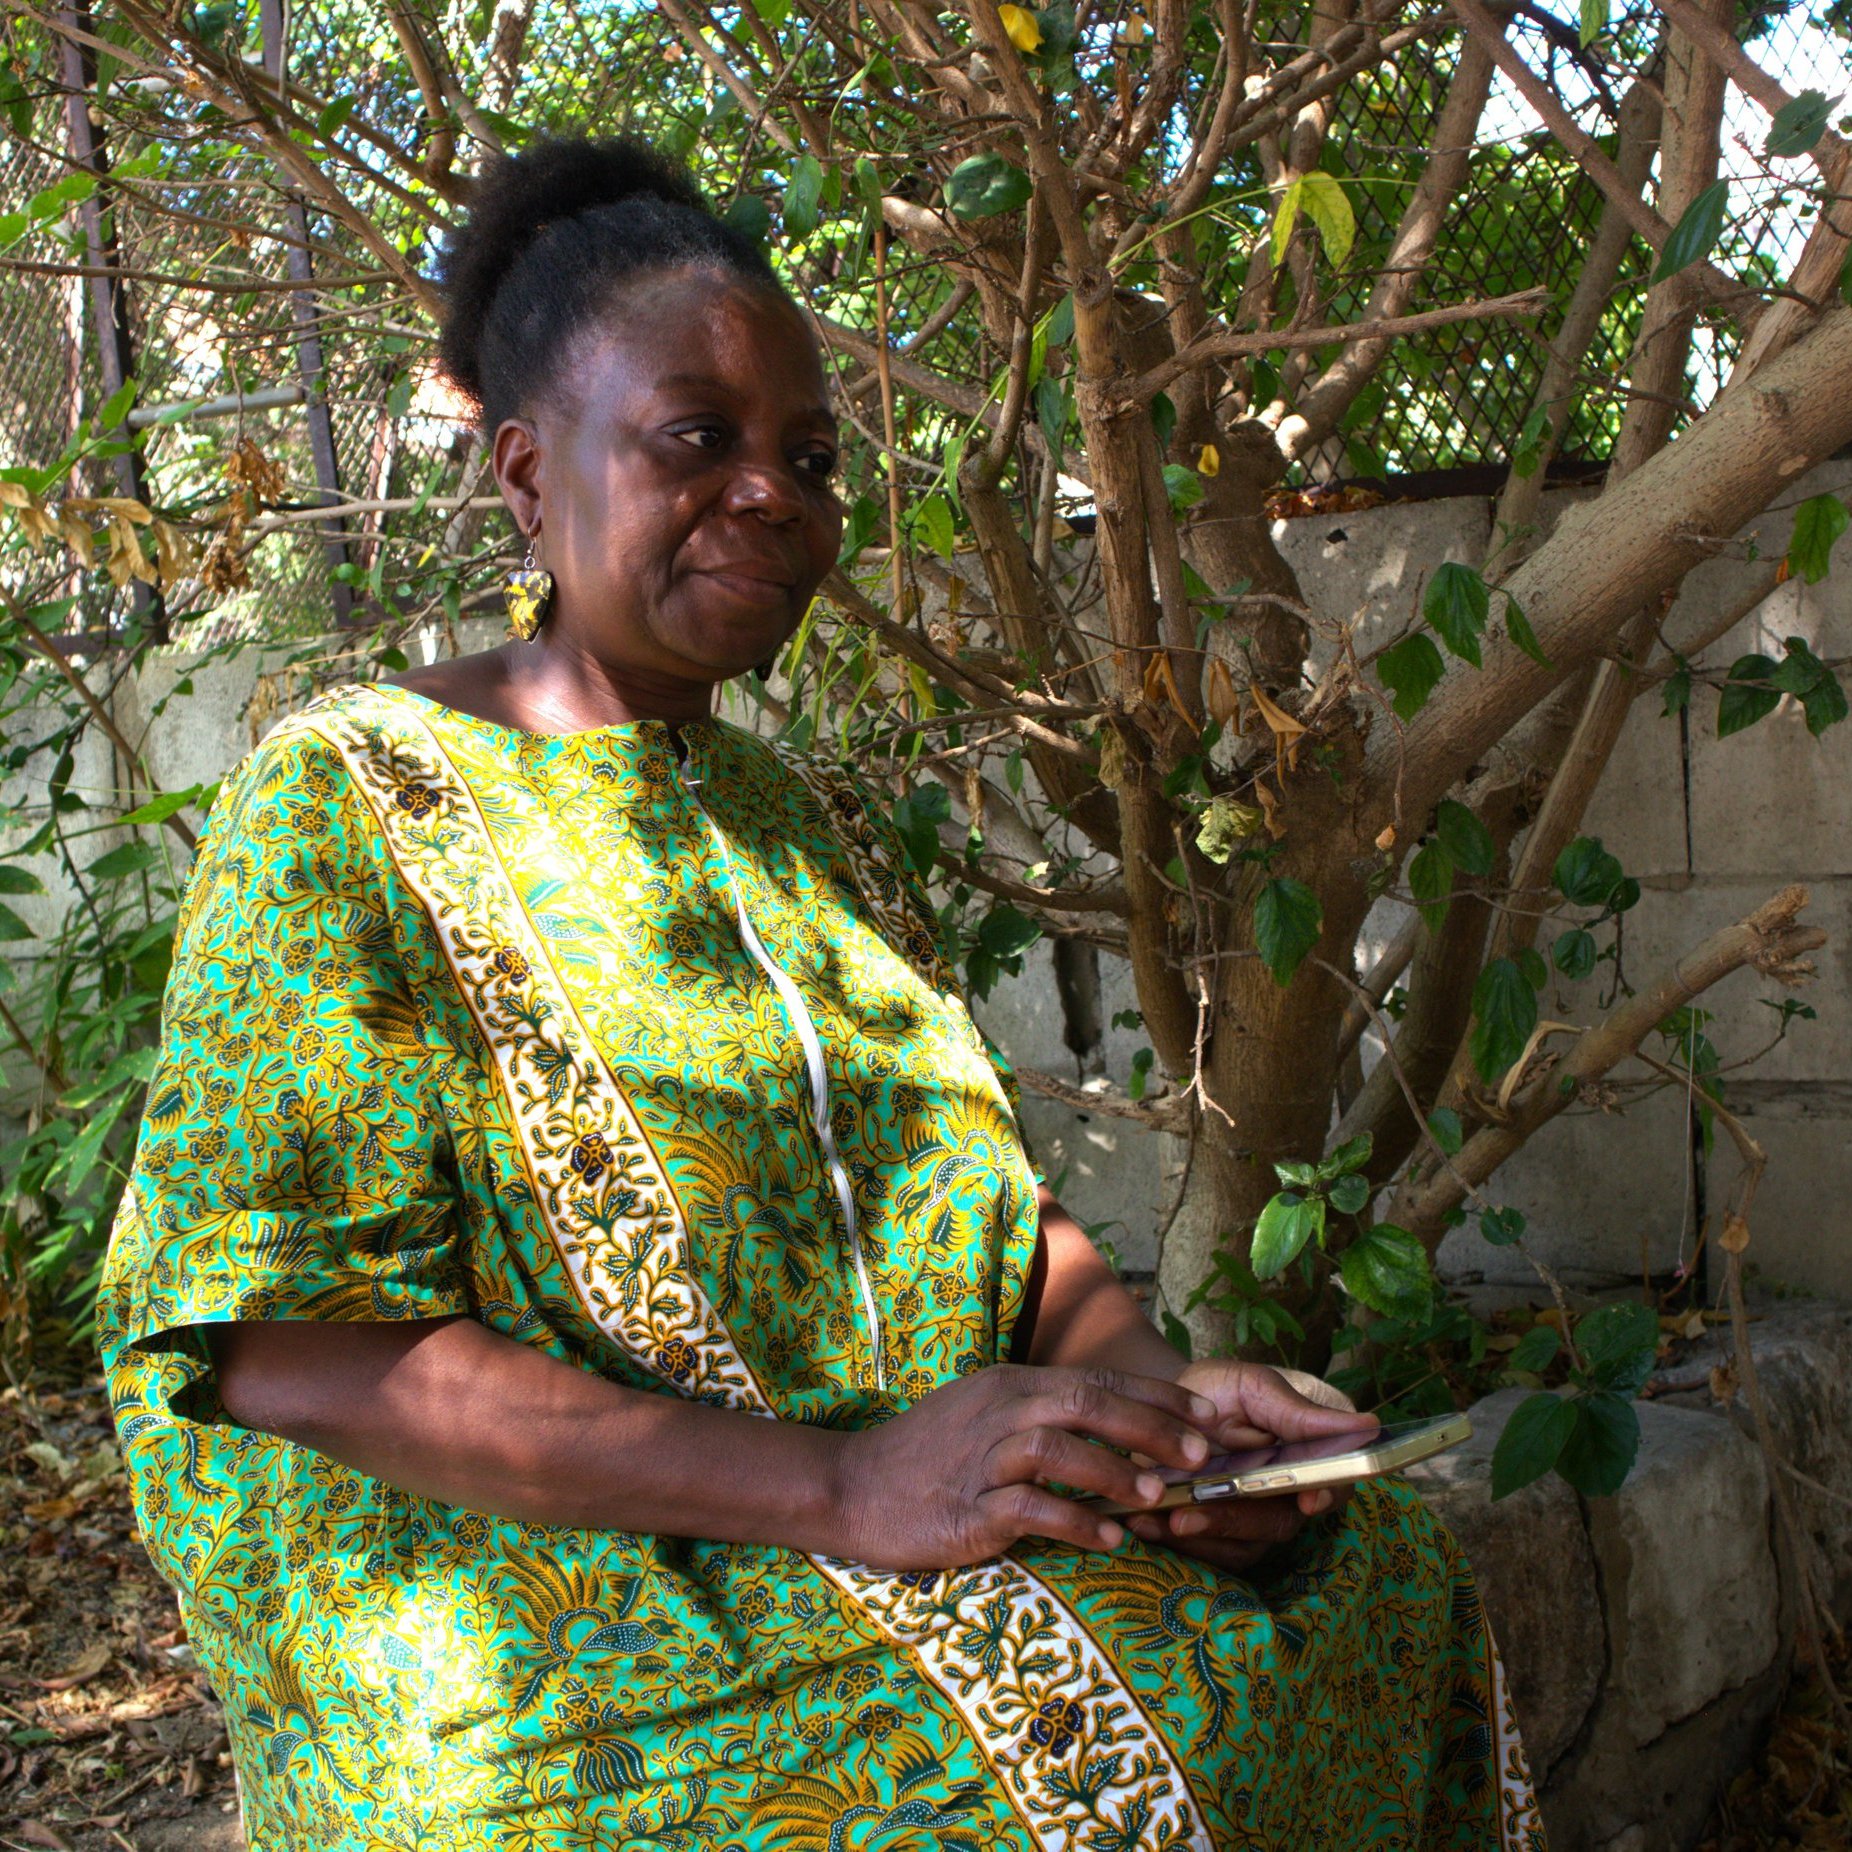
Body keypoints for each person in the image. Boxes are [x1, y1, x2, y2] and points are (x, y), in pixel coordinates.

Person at [100, 136, 1544, 1850]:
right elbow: (298, 1357)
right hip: (530, 1583)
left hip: (848, 1495)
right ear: (523, 472)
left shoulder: (785, 816)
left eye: (808, 454)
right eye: (696, 438)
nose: (774, 491)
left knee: (1368, 1575)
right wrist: (850, 1486)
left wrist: (1161, 1430)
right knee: (1088, 1774)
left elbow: (998, 1226)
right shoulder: (343, 795)